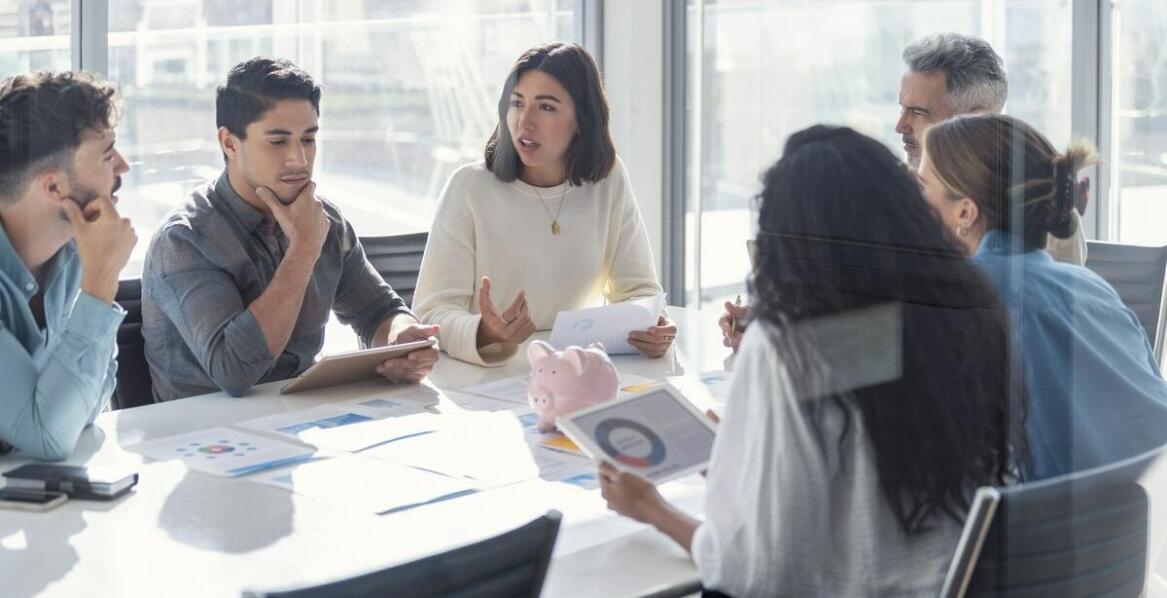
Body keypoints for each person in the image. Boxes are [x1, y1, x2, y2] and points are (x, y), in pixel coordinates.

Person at [599, 125, 1020, 596]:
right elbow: (857, 469)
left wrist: (652, 509)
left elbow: (754, 571)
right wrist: (742, 457)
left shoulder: (788, 345)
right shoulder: (961, 313)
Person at [720, 32, 1087, 351]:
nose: (900, 125)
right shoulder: (897, 191)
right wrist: (780, 324)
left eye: (918, 112)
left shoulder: (1040, 210)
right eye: (901, 107)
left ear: (976, 119)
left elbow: (956, 344)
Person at [142, 57, 438, 401]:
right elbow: (234, 371)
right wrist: (302, 251)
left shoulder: (324, 219)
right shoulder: (184, 239)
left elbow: (379, 311)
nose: (299, 159)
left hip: (297, 419)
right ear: (229, 143)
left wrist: (402, 341)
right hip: (203, 436)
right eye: (278, 141)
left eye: (308, 140)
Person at [919, 113, 1167, 480]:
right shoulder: (1091, 287)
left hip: (1063, 527)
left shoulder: (967, 302)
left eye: (922, 186)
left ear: (965, 212)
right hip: (1148, 517)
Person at [412, 42, 674, 366]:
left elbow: (641, 292)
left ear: (582, 119)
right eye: (517, 103)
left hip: (572, 374)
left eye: (546, 107)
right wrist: (485, 332)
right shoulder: (469, 188)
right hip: (485, 379)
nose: (525, 122)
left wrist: (653, 326)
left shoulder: (609, 180)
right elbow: (429, 313)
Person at [0, 71, 137, 460]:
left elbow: (89, 407)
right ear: (54, 187)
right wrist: (101, 283)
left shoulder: (77, 254)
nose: (123, 167)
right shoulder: (95, 266)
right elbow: (50, 437)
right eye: (107, 154)